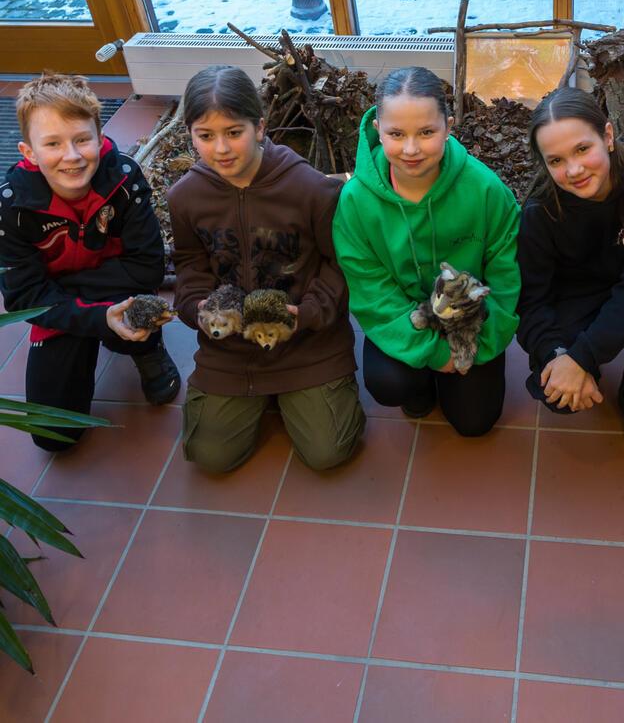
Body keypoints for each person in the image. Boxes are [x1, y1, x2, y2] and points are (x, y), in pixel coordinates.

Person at [168, 65, 363, 473]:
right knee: (210, 458)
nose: (221, 148)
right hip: (232, 348)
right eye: (205, 136)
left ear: (260, 127)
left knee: (328, 453)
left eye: (233, 132)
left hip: (307, 342)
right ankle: (260, 399)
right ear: (190, 135)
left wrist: (308, 313)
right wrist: (197, 307)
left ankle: (310, 395)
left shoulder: (312, 190)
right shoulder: (185, 198)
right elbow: (189, 264)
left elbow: (339, 263)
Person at [334, 66, 520, 434]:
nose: (411, 149)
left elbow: (506, 274)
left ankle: (451, 381)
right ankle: (417, 385)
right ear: (378, 131)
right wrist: (434, 353)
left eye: (427, 132)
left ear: (448, 127)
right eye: (396, 134)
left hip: (471, 324)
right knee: (390, 383)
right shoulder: (355, 202)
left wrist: (478, 346)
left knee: (475, 422)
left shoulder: (485, 190)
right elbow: (371, 290)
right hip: (406, 319)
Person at [0, 72, 179, 450]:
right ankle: (96, 331)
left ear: (99, 138)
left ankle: (146, 348)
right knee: (56, 438)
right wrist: (95, 316)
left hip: (106, 291)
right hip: (65, 305)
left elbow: (147, 267)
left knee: (138, 300)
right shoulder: (12, 206)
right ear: (29, 152)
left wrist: (64, 294)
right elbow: (22, 300)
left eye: (83, 139)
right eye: (53, 143)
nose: (72, 155)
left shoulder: (125, 179)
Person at [516, 87, 624, 464]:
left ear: (608, 136)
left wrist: (584, 356)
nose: (574, 170)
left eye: (583, 149)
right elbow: (531, 300)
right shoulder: (539, 212)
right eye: (557, 160)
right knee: (555, 394)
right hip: (573, 294)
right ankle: (573, 367)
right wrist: (558, 355)